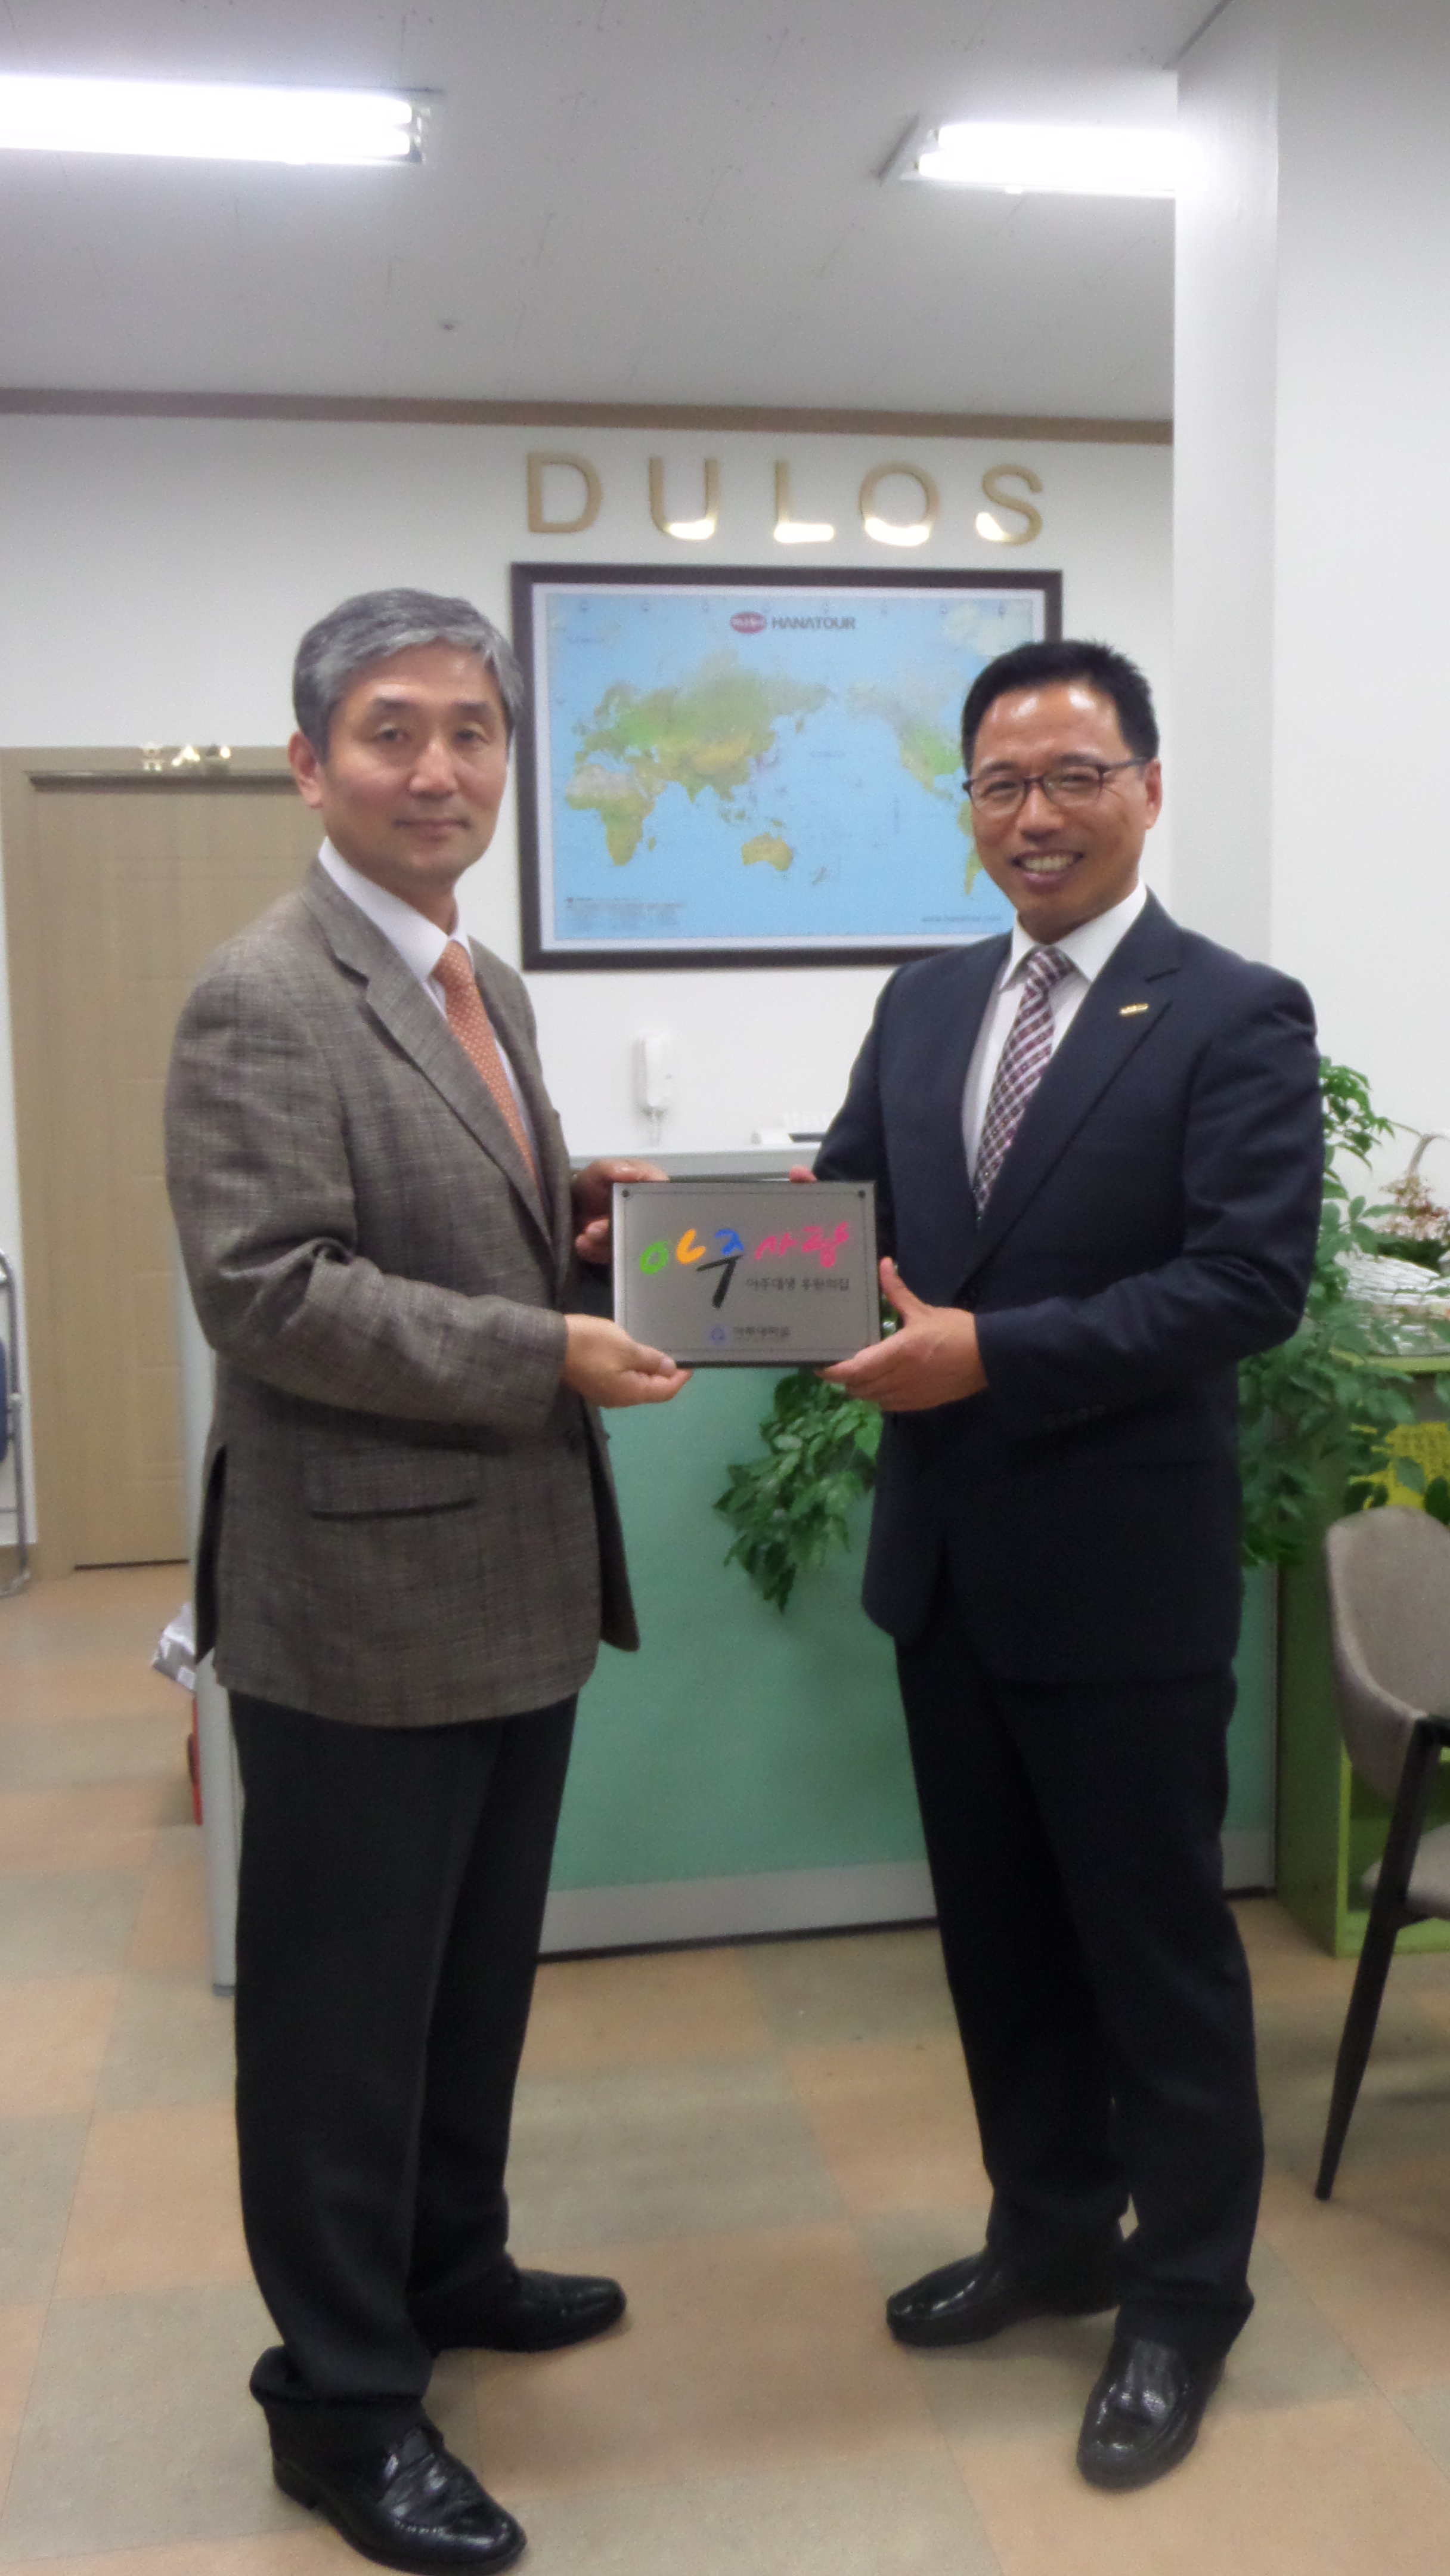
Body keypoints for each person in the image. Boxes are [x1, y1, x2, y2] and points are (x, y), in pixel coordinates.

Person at [165, 587, 689, 2574]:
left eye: (472, 731)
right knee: (339, 2025)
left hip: (513, 1583)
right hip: (358, 1604)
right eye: (393, 731)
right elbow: (271, 1291)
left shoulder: (488, 982)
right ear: (312, 764)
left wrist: (580, 1220)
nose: (439, 769)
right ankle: (341, 2398)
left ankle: (449, 2262)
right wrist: (545, 1346)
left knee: (468, 1984)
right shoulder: (261, 991)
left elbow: (443, 1221)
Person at [809, 639, 1322, 2491]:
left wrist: (996, 1357)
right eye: (1001, 783)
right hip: (947, 1572)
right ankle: (1049, 2236)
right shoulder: (926, 1002)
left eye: (1075, 776)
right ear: (970, 807)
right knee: (1003, 1944)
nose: (1035, 813)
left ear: (1148, 790)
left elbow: (1245, 1284)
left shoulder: (1232, 1014)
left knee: (1154, 1956)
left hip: (1123, 1585)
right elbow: (841, 1211)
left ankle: (1184, 2299)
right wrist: (672, 1248)